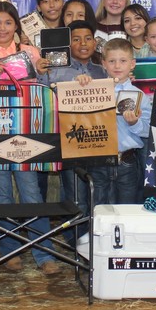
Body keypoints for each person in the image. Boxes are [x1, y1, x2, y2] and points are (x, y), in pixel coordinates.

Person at [0, 1, 59, 274]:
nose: (2, 28)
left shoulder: (30, 51)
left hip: (27, 131)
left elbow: (45, 89)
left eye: (8, 22)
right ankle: (8, 251)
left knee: (31, 193)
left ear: (17, 26)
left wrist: (44, 70)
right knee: (0, 194)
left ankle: (44, 253)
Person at [44, 20, 108, 222]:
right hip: (70, 143)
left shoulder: (102, 70)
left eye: (88, 38)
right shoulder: (56, 70)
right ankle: (76, 243)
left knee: (98, 197)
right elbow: (43, 94)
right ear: (68, 44)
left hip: (99, 143)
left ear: (95, 42)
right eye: (76, 39)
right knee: (76, 197)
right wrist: (41, 73)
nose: (83, 43)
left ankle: (96, 241)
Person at [97, 38, 151, 206]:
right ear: (104, 63)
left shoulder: (140, 96)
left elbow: (147, 130)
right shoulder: (94, 91)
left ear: (132, 64)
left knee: (127, 210)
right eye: (112, 61)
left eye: (123, 61)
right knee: (99, 209)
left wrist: (134, 123)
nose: (117, 66)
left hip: (127, 162)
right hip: (98, 161)